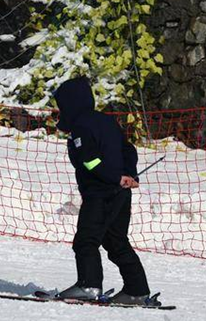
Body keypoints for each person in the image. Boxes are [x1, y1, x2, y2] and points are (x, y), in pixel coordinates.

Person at [52, 77, 158, 306]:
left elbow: (89, 161)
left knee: (85, 241)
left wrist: (115, 178)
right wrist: (129, 175)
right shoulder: (107, 121)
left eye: (62, 106)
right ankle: (136, 291)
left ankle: (88, 285)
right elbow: (128, 150)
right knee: (116, 241)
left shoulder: (80, 126)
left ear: (71, 104)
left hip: (101, 193)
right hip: (121, 192)